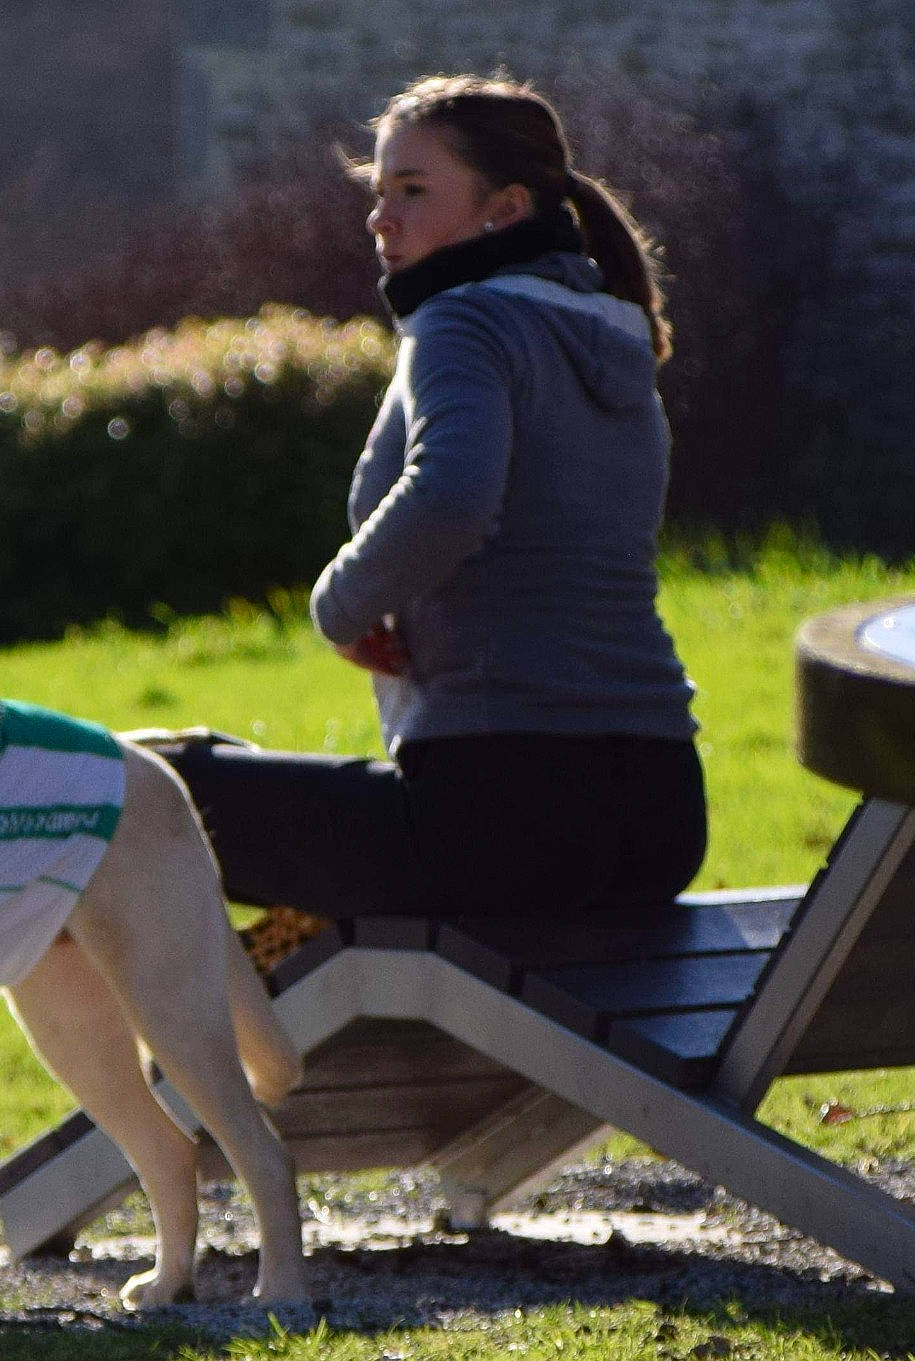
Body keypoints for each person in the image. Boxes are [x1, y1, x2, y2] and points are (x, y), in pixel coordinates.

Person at [161, 73, 705, 927]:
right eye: (379, 193)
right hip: (663, 811)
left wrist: (338, 604)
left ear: (505, 209)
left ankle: (196, 1062)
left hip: (504, 812)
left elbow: (452, 497)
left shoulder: (465, 320)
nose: (382, 218)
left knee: (153, 792)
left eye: (413, 192)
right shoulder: (612, 332)